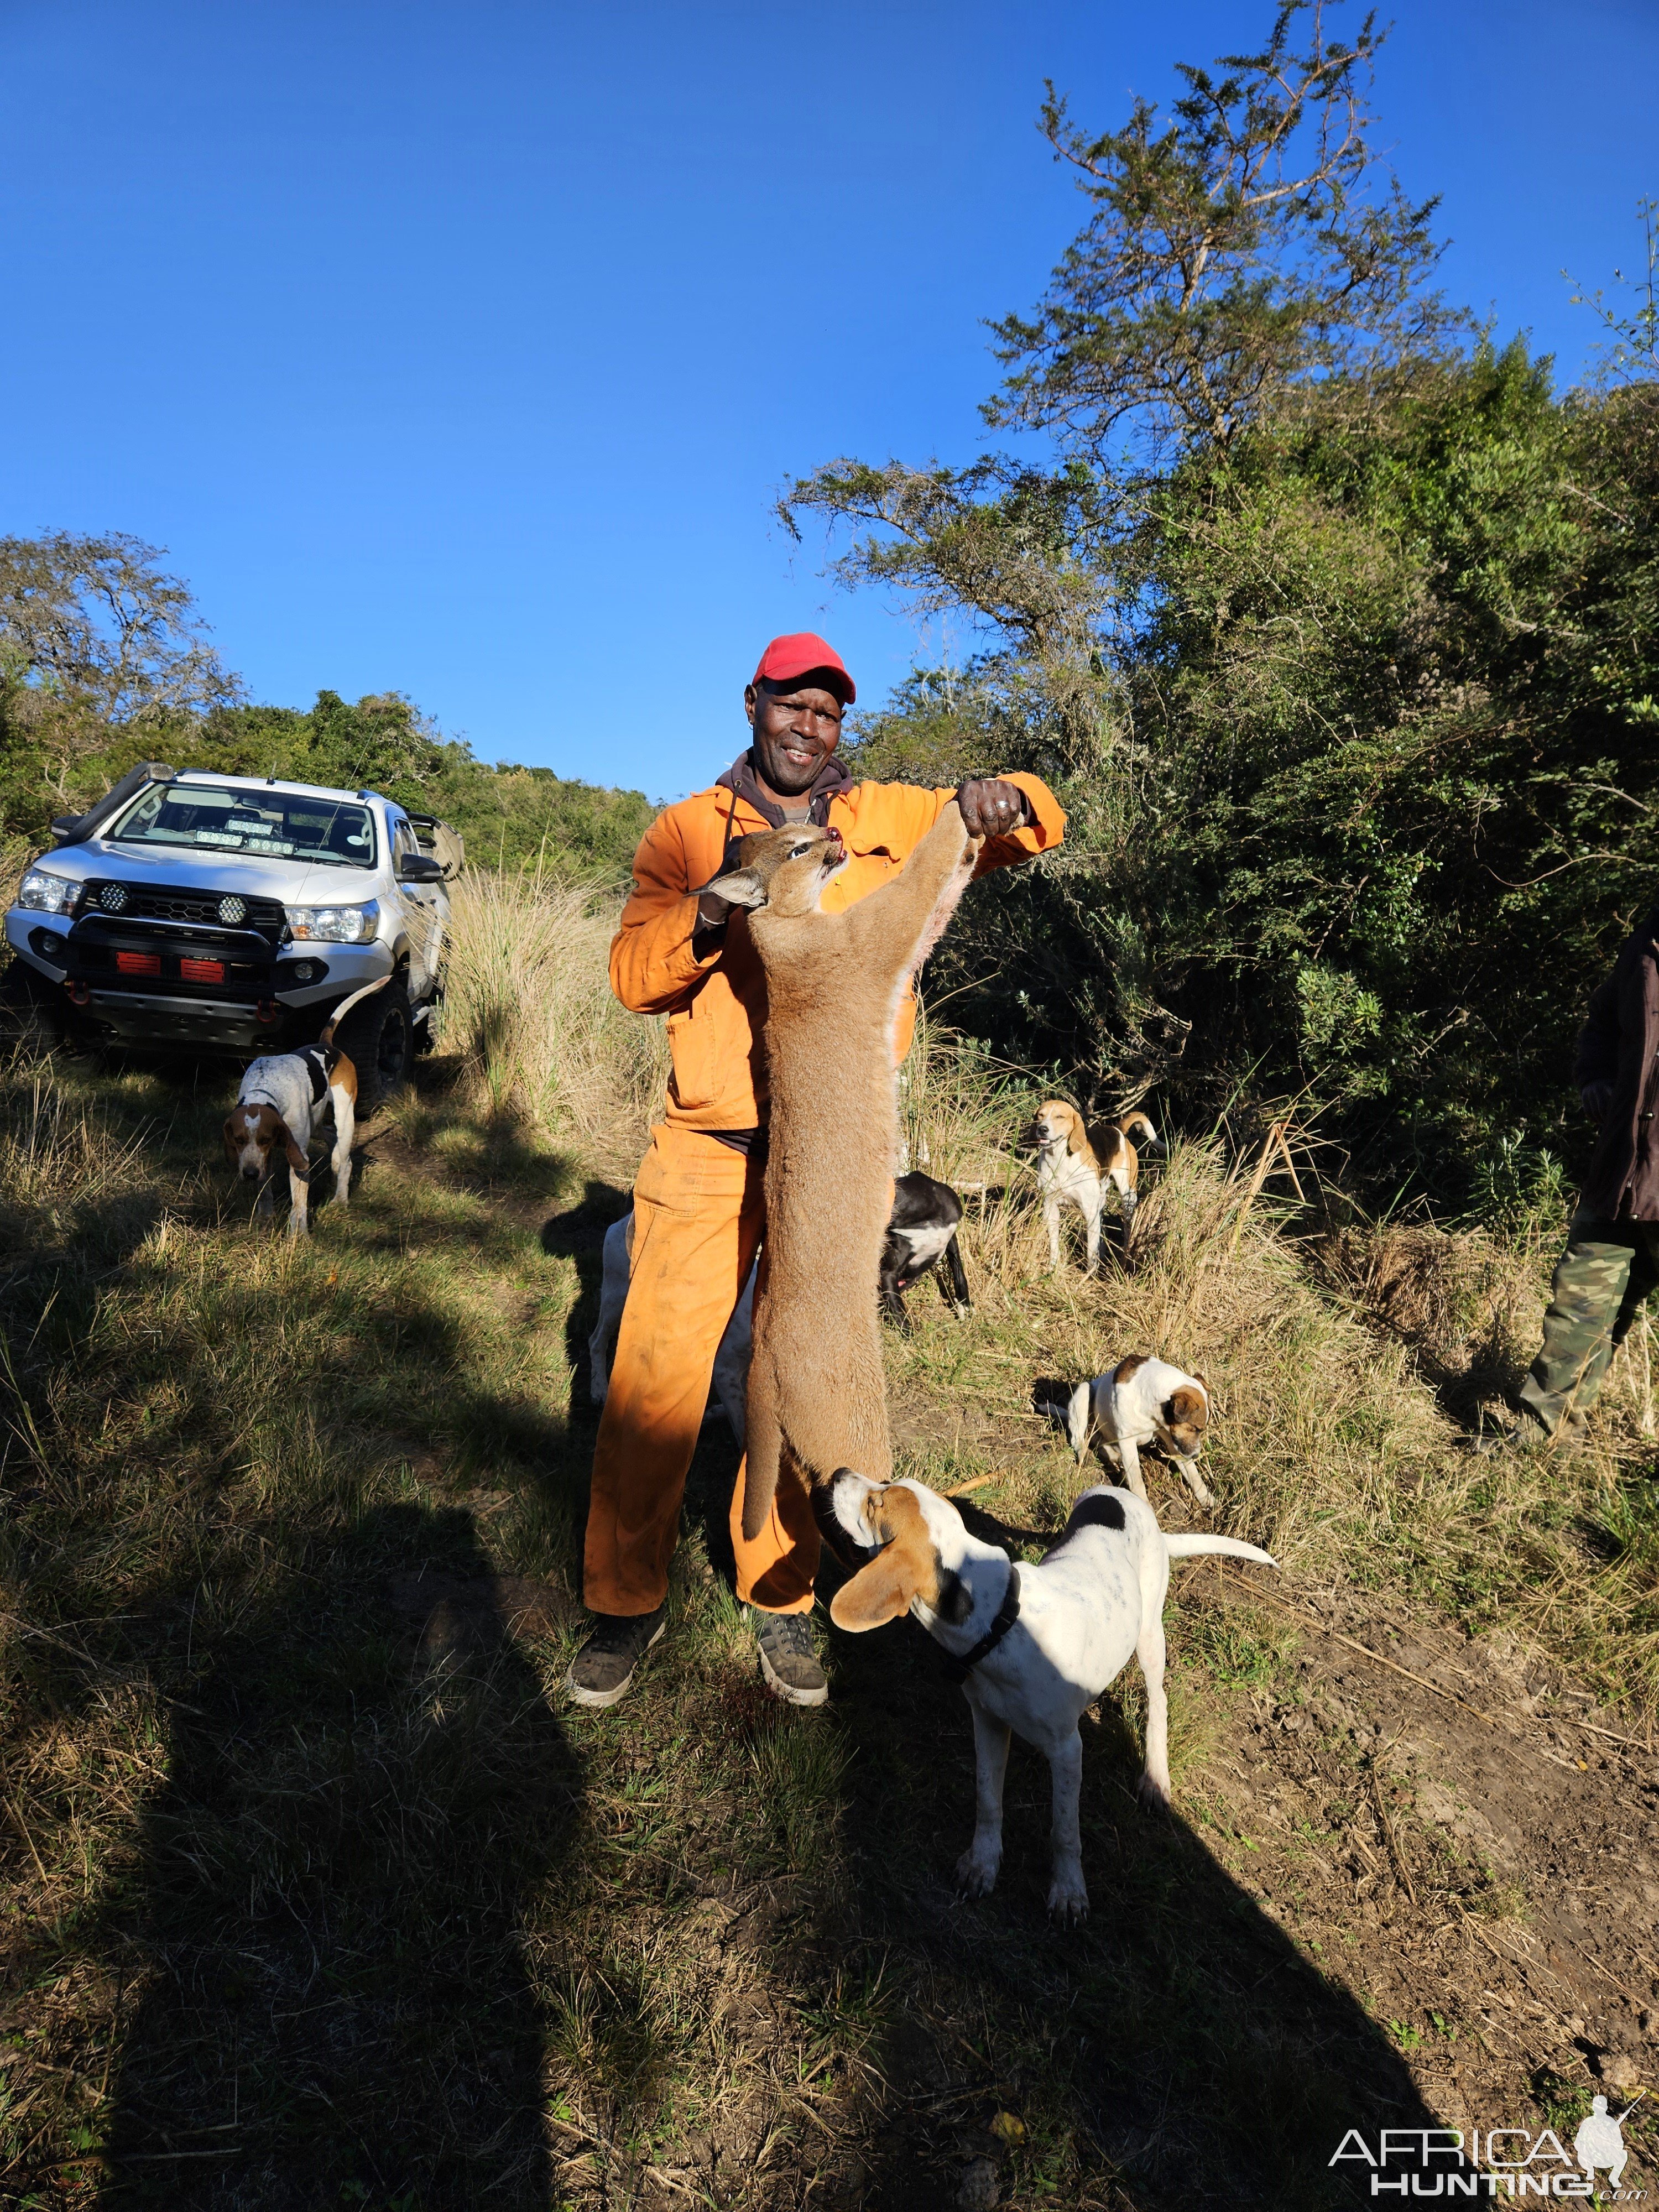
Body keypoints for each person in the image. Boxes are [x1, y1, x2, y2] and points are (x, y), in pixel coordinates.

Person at [568, 631, 1066, 1708]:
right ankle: (622, 1600)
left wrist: (1002, 796)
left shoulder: (880, 814)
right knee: (656, 1375)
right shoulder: (688, 828)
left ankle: (784, 1595)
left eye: (829, 712)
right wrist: (713, 904)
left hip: (826, 1167)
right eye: (793, 704)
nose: (810, 725)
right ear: (752, 702)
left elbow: (1032, 818)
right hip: (708, 1148)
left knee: (803, 1370)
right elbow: (630, 978)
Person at [1499, 905, 1659, 1452]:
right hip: (1623, 1170)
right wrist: (1594, 1076)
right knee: (1579, 1309)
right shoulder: (1644, 947)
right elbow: (1601, 1023)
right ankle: (1546, 1433)